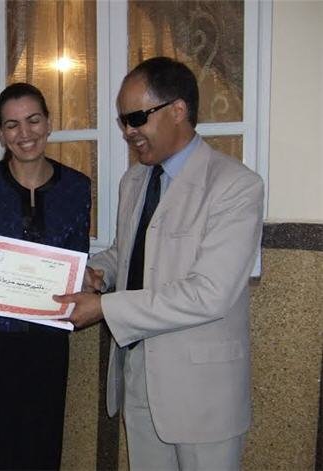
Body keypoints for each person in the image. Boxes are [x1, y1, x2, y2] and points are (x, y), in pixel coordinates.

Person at [54, 57, 264, 470]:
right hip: (138, 376)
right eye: (123, 121)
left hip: (202, 392)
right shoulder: (134, 180)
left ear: (178, 110)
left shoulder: (235, 186)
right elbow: (127, 252)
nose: (128, 132)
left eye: (136, 118)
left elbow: (210, 294)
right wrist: (96, 272)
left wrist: (104, 307)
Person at [0, 82, 91, 470]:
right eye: (12, 125)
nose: (24, 133)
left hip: (44, 344)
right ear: (0, 132)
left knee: (37, 446)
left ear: (49, 123)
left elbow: (76, 258)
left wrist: (85, 278)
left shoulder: (77, 188)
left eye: (33, 120)